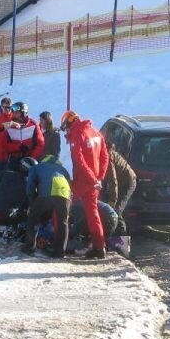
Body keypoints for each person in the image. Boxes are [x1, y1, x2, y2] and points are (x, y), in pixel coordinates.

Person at [62, 110, 110, 259]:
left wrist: (92, 179)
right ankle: (99, 246)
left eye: (65, 128)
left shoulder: (78, 134)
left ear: (70, 123)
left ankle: (58, 243)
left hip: (84, 181)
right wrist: (99, 178)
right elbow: (105, 157)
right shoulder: (95, 132)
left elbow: (79, 160)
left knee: (62, 205)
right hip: (93, 181)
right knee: (93, 214)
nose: (66, 132)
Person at [23, 154, 72, 257]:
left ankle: (29, 247)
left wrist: (32, 203)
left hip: (47, 193)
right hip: (65, 195)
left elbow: (30, 187)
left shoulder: (37, 167)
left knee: (33, 218)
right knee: (63, 222)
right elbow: (70, 184)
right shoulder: (63, 169)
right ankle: (59, 252)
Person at [101, 145, 136, 216]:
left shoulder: (107, 156)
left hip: (127, 182)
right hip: (118, 182)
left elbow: (112, 180)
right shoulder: (98, 156)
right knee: (104, 206)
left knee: (115, 211)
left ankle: (119, 225)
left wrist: (112, 200)